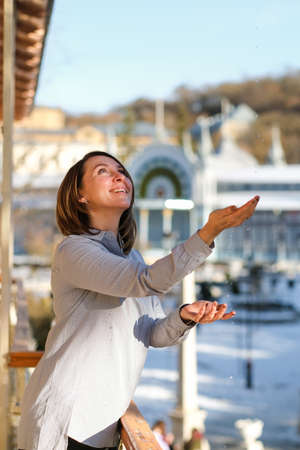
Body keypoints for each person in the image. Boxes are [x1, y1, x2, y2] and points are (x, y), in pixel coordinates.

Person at [17, 151, 259, 450]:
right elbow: (147, 281)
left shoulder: (132, 259)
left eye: (122, 170)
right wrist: (209, 233)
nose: (120, 176)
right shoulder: (74, 250)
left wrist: (184, 316)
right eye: (103, 171)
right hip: (67, 421)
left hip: (104, 427)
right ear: (80, 196)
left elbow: (152, 334)